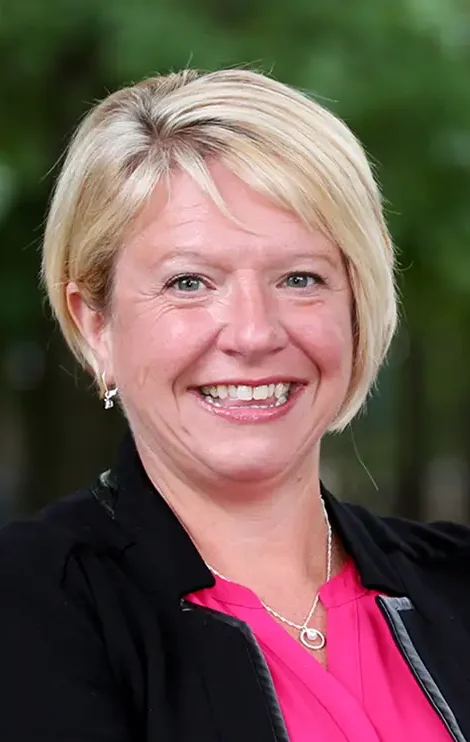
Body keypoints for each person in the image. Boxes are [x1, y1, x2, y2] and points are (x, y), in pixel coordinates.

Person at [0, 68, 469, 742]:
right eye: (189, 282)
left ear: (357, 307)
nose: (253, 333)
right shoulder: (29, 609)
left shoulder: (457, 584)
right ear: (94, 324)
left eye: (300, 278)